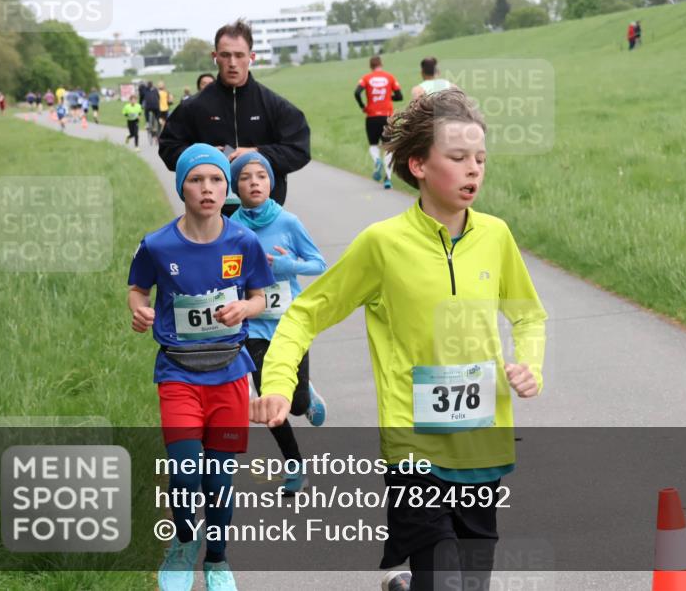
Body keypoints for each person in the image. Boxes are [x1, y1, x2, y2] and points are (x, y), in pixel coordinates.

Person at [250, 88, 547, 591]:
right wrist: (278, 383)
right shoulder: (382, 245)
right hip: (414, 444)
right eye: (457, 158)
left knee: (471, 583)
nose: (474, 169)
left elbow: (528, 315)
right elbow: (303, 314)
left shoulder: (496, 236)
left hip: (483, 441)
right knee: (443, 581)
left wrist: (530, 366)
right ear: (419, 165)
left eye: (480, 158)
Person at [128, 144, 273, 591]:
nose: (207, 189)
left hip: (230, 374)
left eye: (215, 180)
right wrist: (140, 310)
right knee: (187, 471)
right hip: (178, 375)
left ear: (225, 188)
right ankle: (183, 545)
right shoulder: (157, 244)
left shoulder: (244, 242)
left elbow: (260, 296)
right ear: (182, 187)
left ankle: (217, 558)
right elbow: (138, 289)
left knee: (219, 478)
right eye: (196, 180)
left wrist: (244, 310)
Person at [229, 152, 328, 494]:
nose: (254, 182)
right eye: (245, 177)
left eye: (261, 176)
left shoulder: (289, 222)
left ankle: (307, 395)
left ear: (271, 183)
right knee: (269, 398)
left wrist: (287, 267)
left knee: (297, 404)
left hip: (290, 322)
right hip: (254, 325)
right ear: (235, 186)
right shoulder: (231, 228)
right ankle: (294, 466)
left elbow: (319, 264)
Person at [159, 20, 311, 217]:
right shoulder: (193, 107)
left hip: (264, 216)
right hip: (211, 216)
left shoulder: (274, 105)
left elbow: (299, 149)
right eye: (225, 55)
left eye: (239, 55)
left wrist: (258, 153)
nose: (232, 63)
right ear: (215, 57)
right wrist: (202, 157)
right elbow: (168, 147)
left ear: (251, 57)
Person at [355, 55, 403, 189]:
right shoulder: (390, 77)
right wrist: (388, 97)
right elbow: (400, 96)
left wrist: (362, 106)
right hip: (387, 116)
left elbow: (357, 92)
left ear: (371, 66)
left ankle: (377, 160)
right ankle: (387, 179)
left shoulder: (366, 78)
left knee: (373, 145)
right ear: (381, 64)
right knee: (388, 148)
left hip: (371, 116)